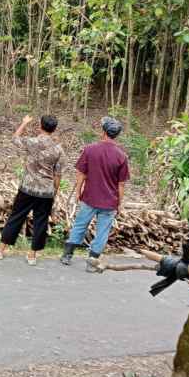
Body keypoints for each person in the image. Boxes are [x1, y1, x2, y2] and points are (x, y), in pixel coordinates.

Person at [0, 114, 64, 266]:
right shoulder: (58, 150)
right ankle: (32, 255)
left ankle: (0, 250)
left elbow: (15, 139)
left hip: (27, 188)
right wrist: (54, 191)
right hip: (46, 191)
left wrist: (24, 123)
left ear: (40, 126)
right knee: (41, 222)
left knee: (16, 217)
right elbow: (58, 174)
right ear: (54, 129)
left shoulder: (32, 142)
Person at [60, 116, 129, 272]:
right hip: (110, 202)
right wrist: (120, 203)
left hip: (90, 197)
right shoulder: (121, 156)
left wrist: (78, 191)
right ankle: (92, 262)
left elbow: (81, 173)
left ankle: (67, 256)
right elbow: (121, 183)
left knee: (80, 225)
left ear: (103, 131)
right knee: (102, 232)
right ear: (116, 134)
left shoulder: (90, 149)